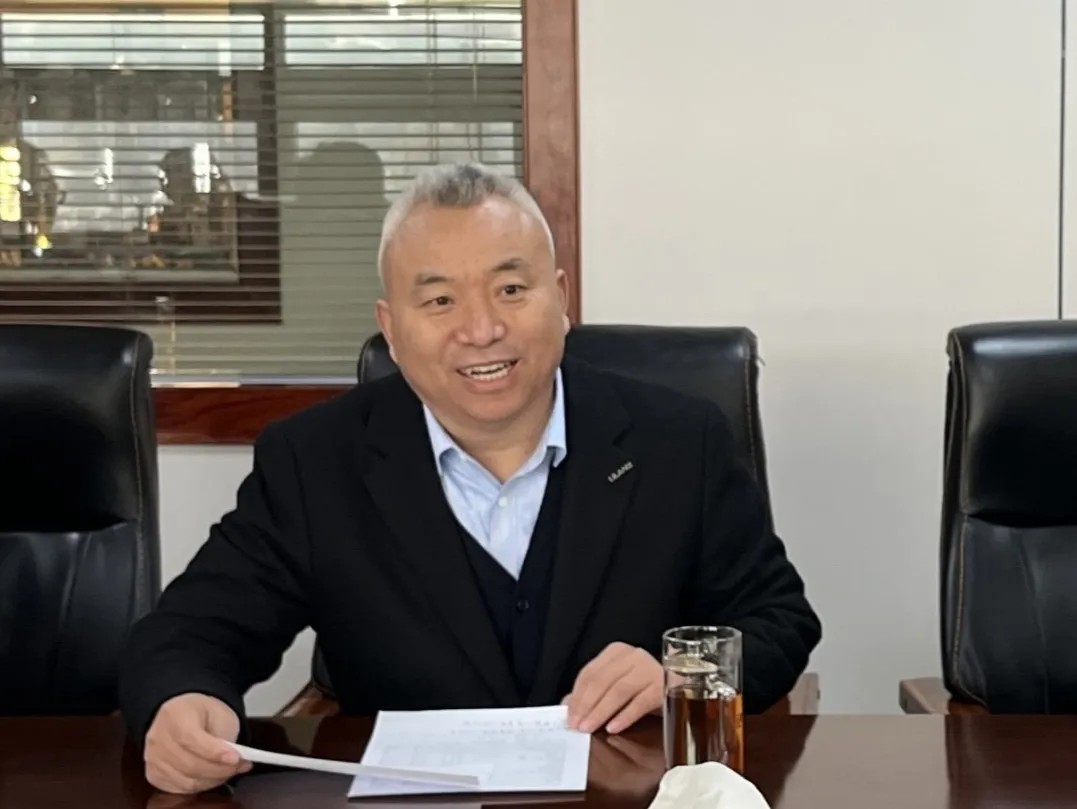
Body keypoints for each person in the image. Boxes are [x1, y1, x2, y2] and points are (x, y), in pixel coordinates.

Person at [119, 162, 821, 795]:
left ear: (560, 298)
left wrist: (680, 675)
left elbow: (777, 618)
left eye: (510, 289)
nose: (482, 329)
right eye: (439, 301)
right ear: (392, 329)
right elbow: (189, 633)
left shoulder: (677, 440)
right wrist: (182, 703)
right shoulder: (315, 460)